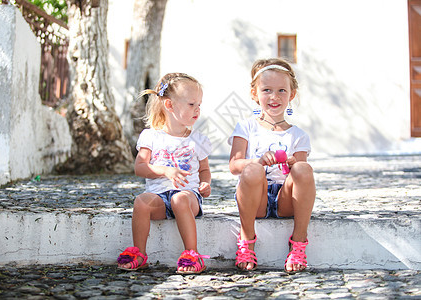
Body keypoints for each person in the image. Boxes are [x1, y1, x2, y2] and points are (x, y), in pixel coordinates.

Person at [117, 73, 212, 274]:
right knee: (142, 201)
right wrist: (165, 171)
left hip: (189, 198)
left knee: (179, 199)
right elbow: (140, 167)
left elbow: (204, 169)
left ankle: (192, 254)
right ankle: (139, 253)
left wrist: (205, 184)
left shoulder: (197, 139)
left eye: (199, 105)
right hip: (159, 199)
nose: (197, 110)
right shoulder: (150, 136)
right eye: (191, 104)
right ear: (169, 105)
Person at [228, 58, 316, 273]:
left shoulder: (298, 135)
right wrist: (257, 161)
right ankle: (247, 239)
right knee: (252, 169)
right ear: (254, 94)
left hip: (286, 199)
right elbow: (234, 165)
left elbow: (300, 173)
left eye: (281, 91)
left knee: (304, 168)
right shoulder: (246, 127)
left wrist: (293, 161)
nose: (274, 97)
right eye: (267, 90)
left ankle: (298, 242)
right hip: (255, 198)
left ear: (291, 95)